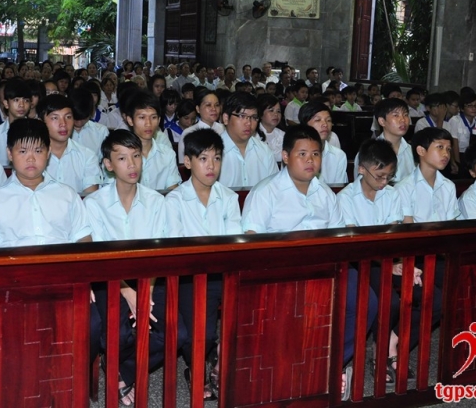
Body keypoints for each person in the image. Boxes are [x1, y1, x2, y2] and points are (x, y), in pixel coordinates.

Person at [241, 125, 375, 400]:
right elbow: (252, 240)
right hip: (281, 270)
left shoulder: (324, 193)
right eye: (302, 154)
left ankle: (331, 362)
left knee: (366, 302)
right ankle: (297, 371)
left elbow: (339, 235)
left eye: (315, 154)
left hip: (327, 266)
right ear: (285, 156)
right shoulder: (266, 192)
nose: (310, 160)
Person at [85, 130, 187, 406]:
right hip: (110, 279)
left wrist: (146, 290)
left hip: (151, 278)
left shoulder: (157, 201)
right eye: (122, 158)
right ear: (108, 164)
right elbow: (99, 256)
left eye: (136, 156)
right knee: (117, 335)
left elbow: (163, 251)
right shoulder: (94, 203)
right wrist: (129, 292)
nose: (131, 164)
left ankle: (122, 368)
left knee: (177, 334)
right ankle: (116, 358)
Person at [337, 139, 420, 388]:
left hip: (386, 258)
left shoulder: (392, 194)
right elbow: (354, 241)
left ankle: (392, 342)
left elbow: (394, 234)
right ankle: (380, 354)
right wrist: (389, 265)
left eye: (389, 177)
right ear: (362, 169)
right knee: (389, 301)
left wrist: (403, 263)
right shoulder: (345, 197)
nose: (384, 182)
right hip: (358, 262)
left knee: (431, 297)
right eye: (380, 176)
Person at [166, 129, 241, 399]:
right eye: (203, 158)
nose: (211, 166)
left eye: (217, 158)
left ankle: (223, 363)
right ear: (188, 162)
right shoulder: (175, 200)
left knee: (248, 320)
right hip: (192, 275)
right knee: (203, 333)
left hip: (226, 272)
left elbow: (234, 241)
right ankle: (196, 368)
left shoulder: (228, 197)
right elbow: (177, 246)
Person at [0, 118, 92, 248]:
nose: (31, 159)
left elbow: (84, 238)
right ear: (10, 153)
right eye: (23, 151)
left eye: (38, 151)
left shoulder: (68, 195)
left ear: (48, 152)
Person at [38, 94, 102, 194]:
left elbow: (91, 198)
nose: (63, 123)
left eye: (68, 117)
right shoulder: (32, 157)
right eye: (55, 118)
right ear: (41, 121)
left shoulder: (87, 157)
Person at [396, 127, 460, 224]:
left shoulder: (449, 186)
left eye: (448, 149)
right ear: (421, 151)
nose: (446, 154)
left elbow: (451, 225)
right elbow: (408, 227)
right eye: (440, 147)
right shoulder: (404, 188)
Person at [218, 92, 278, 188]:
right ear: (226, 118)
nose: (249, 123)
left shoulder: (264, 151)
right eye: (242, 116)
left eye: (254, 117)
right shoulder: (211, 152)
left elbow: (274, 189)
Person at [356, 98, 414, 183]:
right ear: (382, 121)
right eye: (396, 115)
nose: (403, 120)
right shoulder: (368, 153)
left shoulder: (413, 152)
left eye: (405, 115)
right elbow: (361, 186)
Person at [0, 79, 32, 167]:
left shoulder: (37, 132)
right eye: (16, 100)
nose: (22, 105)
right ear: (6, 103)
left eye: (26, 100)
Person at [299, 101, 348, 184]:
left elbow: (338, 189)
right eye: (318, 120)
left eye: (328, 120)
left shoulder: (338, 155)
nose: (325, 124)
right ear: (304, 124)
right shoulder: (294, 154)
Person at [178, 89, 225, 163]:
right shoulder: (189, 133)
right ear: (198, 109)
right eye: (208, 105)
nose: (214, 109)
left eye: (217, 105)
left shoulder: (224, 129)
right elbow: (183, 163)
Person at [448, 91, 476, 173]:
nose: (474, 108)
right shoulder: (455, 120)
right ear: (462, 108)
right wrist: (458, 163)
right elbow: (454, 144)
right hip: (459, 154)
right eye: (469, 106)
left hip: (474, 155)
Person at [70, 87, 110, 157]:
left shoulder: (101, 131)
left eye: (83, 118)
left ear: (91, 113)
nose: (79, 123)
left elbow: (105, 159)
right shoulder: (60, 131)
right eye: (76, 118)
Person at [257, 93, 284, 163]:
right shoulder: (253, 135)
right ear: (260, 114)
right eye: (271, 110)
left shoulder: (283, 135)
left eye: (278, 111)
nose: (276, 114)